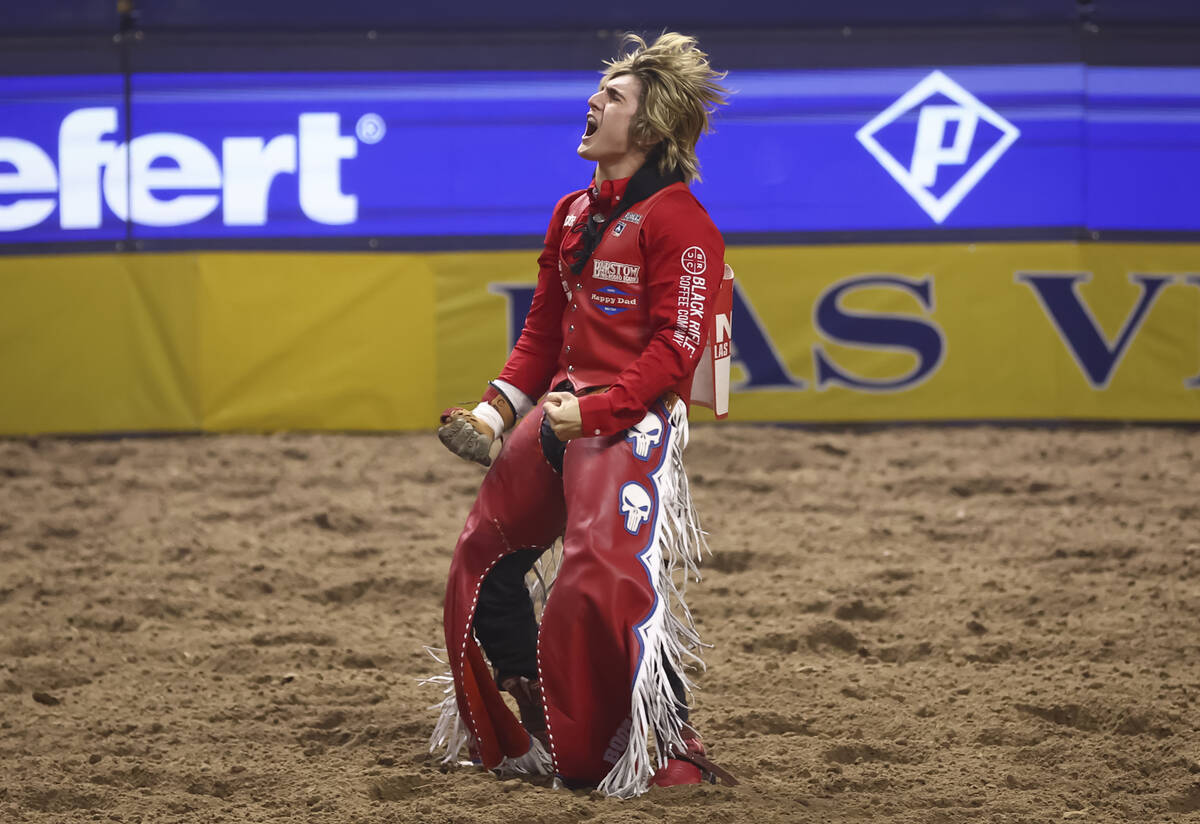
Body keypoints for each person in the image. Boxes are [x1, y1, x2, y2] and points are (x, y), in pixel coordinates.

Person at [431, 31, 734, 798]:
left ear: (654, 128)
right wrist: (496, 413)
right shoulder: (571, 212)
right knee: (482, 564)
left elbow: (676, 349)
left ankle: (662, 741)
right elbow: (541, 331)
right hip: (564, 414)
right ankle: (539, 718)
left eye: (614, 98)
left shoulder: (681, 223)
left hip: (627, 423)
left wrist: (596, 412)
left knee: (603, 580)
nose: (594, 103)